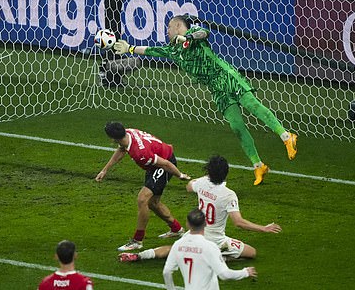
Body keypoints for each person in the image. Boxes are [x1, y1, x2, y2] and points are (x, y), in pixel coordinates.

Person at [113, 15, 298, 186]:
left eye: (169, 27)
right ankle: (259, 166)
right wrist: (130, 48)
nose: (167, 31)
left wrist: (187, 39)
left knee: (253, 106)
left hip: (226, 77)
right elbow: (151, 50)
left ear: (178, 26)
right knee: (237, 127)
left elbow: (204, 33)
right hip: (216, 89)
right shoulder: (172, 49)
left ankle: (286, 136)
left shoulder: (193, 33)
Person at [119, 155, 282, 263]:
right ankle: (216, 257)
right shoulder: (229, 195)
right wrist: (264, 228)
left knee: (173, 249)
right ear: (226, 173)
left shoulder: (202, 183)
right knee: (252, 252)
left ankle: (138, 256)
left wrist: (204, 179)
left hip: (195, 233)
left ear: (209, 172)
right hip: (216, 240)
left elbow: (189, 187)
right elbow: (238, 222)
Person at [95, 121, 192, 251]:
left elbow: (166, 164)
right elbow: (122, 149)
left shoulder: (140, 153)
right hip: (154, 163)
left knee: (142, 199)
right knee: (153, 203)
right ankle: (177, 229)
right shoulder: (128, 133)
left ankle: (137, 240)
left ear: (112, 138)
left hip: (164, 163)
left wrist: (179, 175)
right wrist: (105, 170)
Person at [162, 209, 257, 290]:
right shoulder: (210, 247)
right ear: (205, 224)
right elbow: (224, 274)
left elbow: (166, 272)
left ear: (187, 224)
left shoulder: (178, 245)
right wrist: (245, 272)